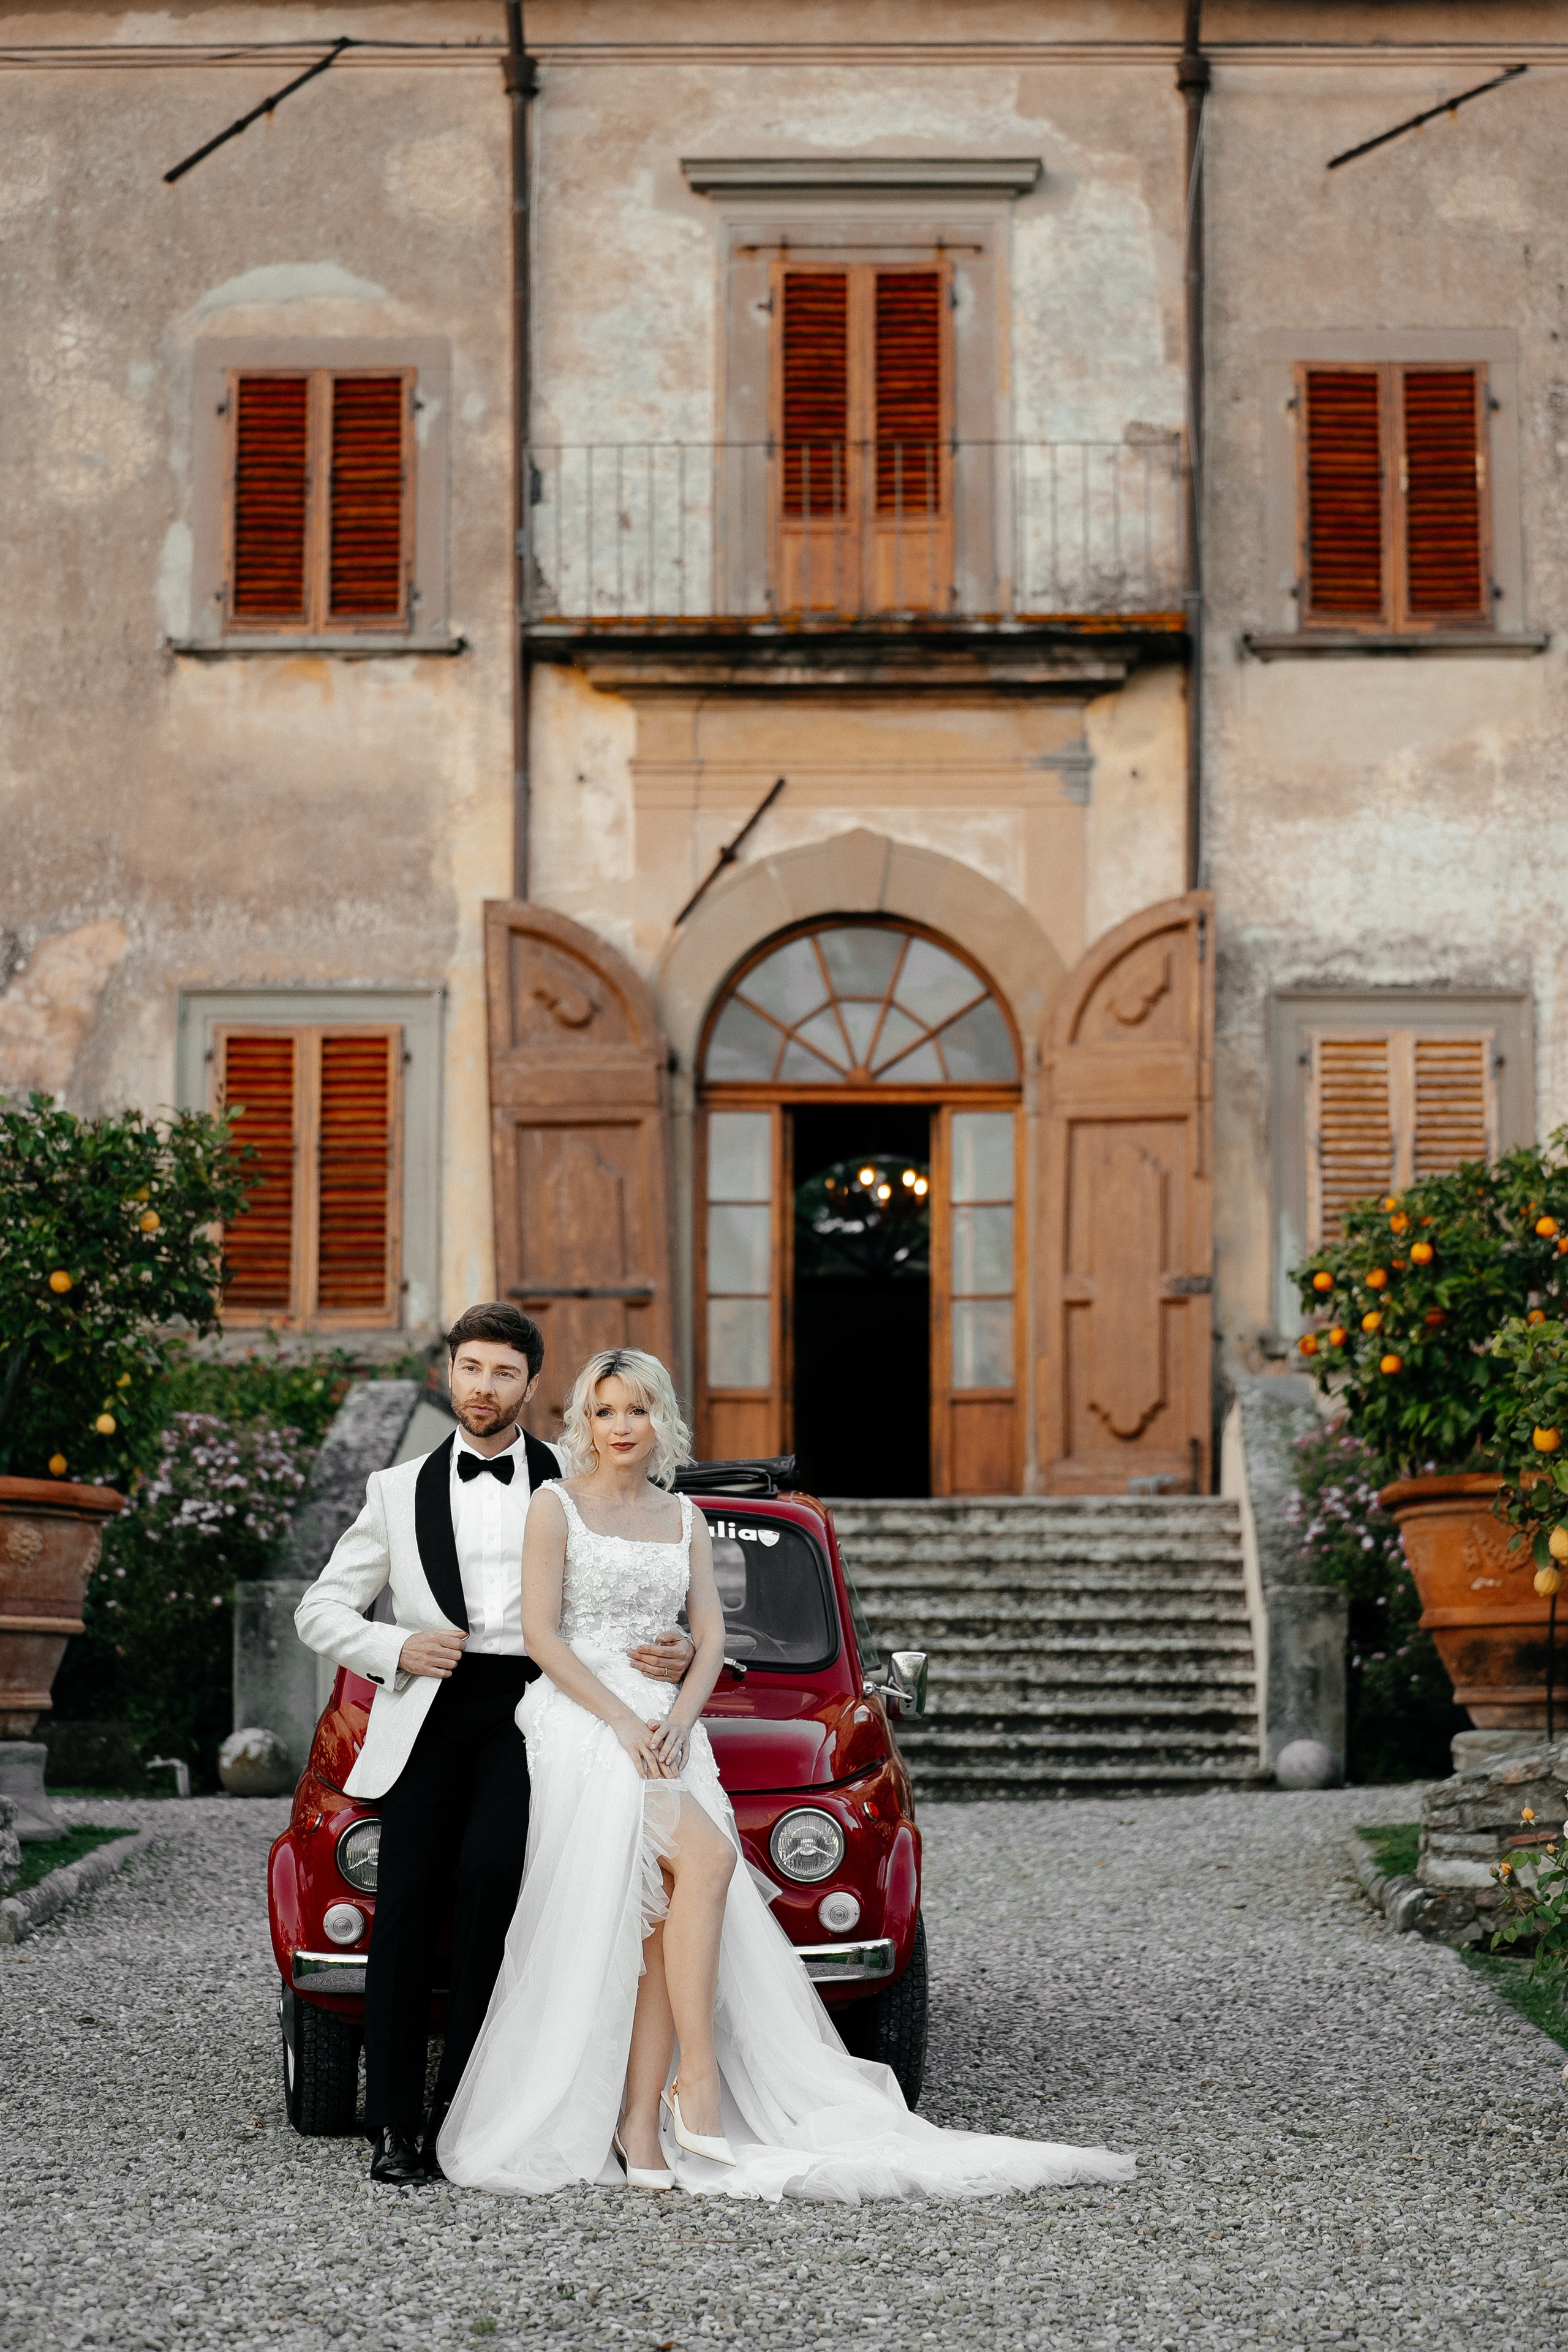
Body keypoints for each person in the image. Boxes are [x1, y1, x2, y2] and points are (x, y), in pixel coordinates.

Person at [438, 1346, 1135, 2203]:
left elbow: (712, 1637)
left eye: (638, 1410)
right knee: (709, 1860)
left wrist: (682, 1718)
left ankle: (638, 2122)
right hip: (583, 1716)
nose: (622, 1427)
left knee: (659, 1922)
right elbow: (543, 1636)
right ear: (584, 1421)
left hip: (667, 1721)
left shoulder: (682, 1516)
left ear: (661, 1420)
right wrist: (621, 1722)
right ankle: (696, 2080)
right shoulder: (556, 1506)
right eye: (606, 1411)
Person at [293, 1304, 695, 2185]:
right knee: (404, 1903)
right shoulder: (395, 1490)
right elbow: (317, 1609)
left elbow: (639, 1580)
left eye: (504, 1372)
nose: (484, 1386)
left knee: (492, 1890)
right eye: (471, 1367)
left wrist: (683, 1644)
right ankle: (394, 2123)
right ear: (450, 1372)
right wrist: (395, 1645)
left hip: (538, 1707)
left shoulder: (570, 1481)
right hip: (431, 1705)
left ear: (530, 1385)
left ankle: (464, 2116)